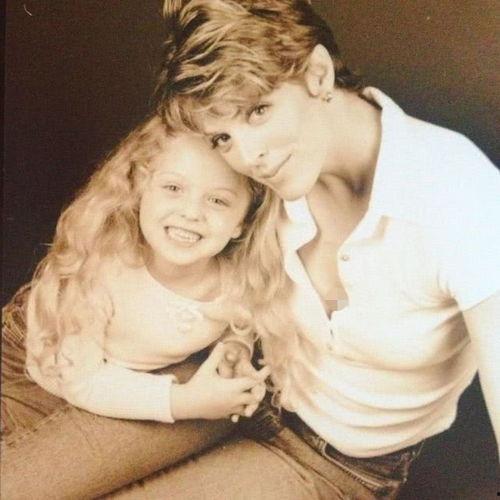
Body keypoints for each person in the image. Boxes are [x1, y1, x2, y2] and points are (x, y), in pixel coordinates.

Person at [102, 0, 500, 498]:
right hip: (220, 386)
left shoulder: (463, 195)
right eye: (223, 137)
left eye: (259, 111)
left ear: (317, 73)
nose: (248, 156)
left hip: (332, 459)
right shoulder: (270, 173)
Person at [1, 115, 277, 498]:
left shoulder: (237, 282)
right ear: (141, 189)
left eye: (217, 200)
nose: (191, 212)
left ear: (241, 224)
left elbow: (237, 324)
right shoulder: (102, 269)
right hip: (35, 366)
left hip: (111, 379)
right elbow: (81, 381)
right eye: (173, 188)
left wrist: (235, 350)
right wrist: (183, 402)